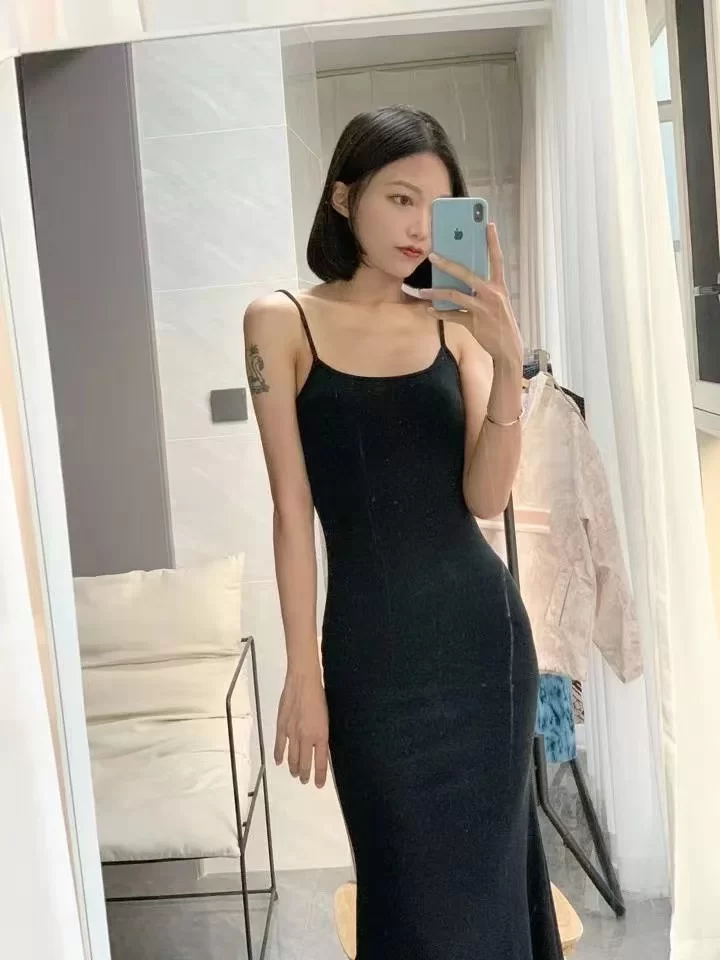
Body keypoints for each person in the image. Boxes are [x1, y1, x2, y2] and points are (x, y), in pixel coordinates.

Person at [244, 105, 563, 959]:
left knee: (492, 897)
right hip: (371, 666)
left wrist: (505, 359)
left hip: (483, 651)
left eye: (437, 204)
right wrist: (303, 673)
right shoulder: (280, 322)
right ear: (343, 197)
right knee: (407, 899)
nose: (421, 225)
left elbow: (485, 496)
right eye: (399, 198)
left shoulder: (454, 324)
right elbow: (291, 510)